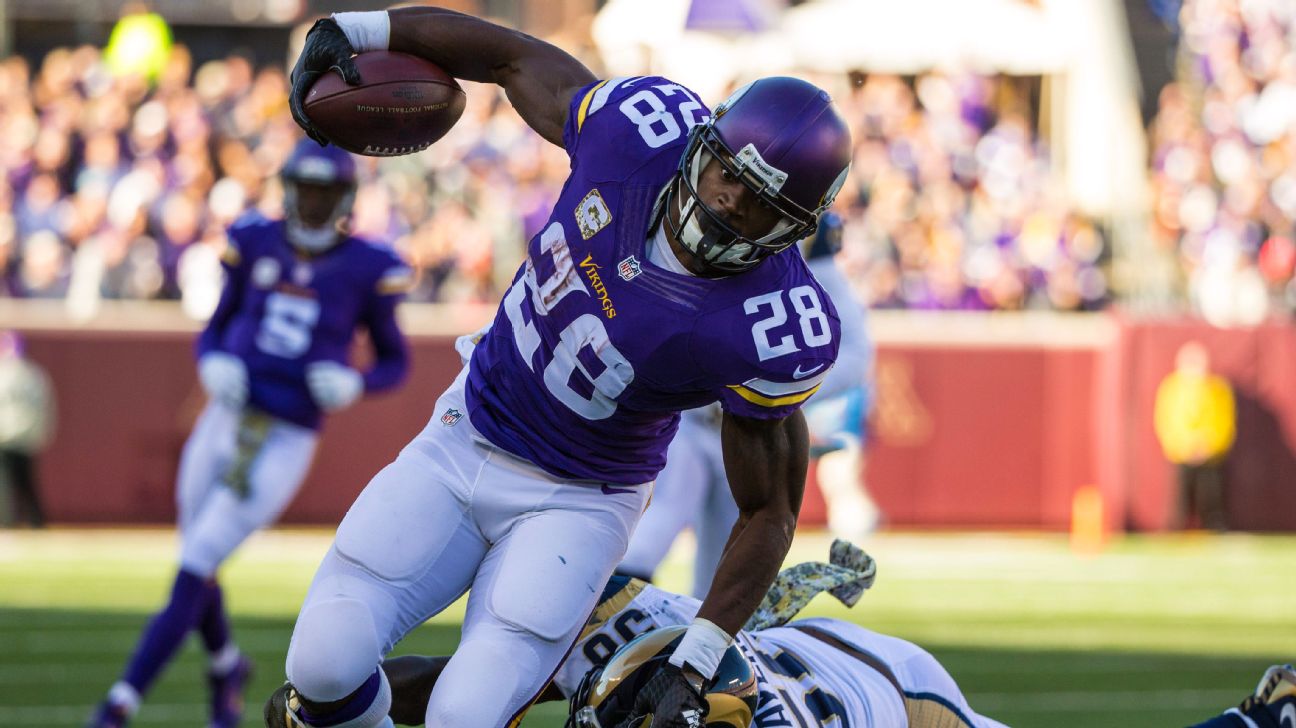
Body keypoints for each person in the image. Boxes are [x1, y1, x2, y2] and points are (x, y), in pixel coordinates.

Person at [274, 7, 853, 727]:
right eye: (726, 174)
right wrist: (362, 31)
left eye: (759, 207)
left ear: (799, 229)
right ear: (703, 142)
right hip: (467, 432)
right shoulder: (634, 136)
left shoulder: (770, 324)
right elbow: (512, 55)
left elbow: (769, 510)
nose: (727, 202)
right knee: (322, 663)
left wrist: (697, 656)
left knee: (466, 714)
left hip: (580, 499)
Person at [88, 139, 412, 728]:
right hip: (226, 415)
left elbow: (395, 362)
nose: (311, 203)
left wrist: (355, 382)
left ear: (343, 198)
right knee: (196, 554)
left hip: (285, 434)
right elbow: (216, 326)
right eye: (304, 189)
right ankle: (225, 666)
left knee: (197, 560)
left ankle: (119, 703)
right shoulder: (253, 239)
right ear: (289, 188)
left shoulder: (368, 267)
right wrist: (212, 358)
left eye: (323, 192)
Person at [267, 543, 1011, 728]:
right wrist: (330, 698)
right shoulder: (621, 631)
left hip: (897, 696)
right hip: (807, 651)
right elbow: (462, 674)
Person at [618, 213, 876, 598]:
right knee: (654, 532)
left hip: (743, 424)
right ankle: (606, 629)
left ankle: (692, 647)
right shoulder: (710, 211)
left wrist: (773, 396)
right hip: (688, 416)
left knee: (727, 572)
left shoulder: (806, 251)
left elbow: (854, 356)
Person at [1153, 340, 1236, 531]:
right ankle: (1177, 527)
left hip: (1210, 452)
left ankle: (1214, 525)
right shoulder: (1172, 387)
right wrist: (1183, 445)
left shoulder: (1218, 388)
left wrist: (1210, 444)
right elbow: (1166, 419)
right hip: (1182, 451)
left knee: (1211, 492)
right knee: (1181, 495)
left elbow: (1224, 419)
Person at [0, 330, 55, 528]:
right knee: (25, 481)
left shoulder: (8, 374)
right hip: (25, 434)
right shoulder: (34, 374)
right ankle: (34, 521)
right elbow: (46, 406)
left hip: (7, 434)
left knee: (8, 482)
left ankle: (8, 522)